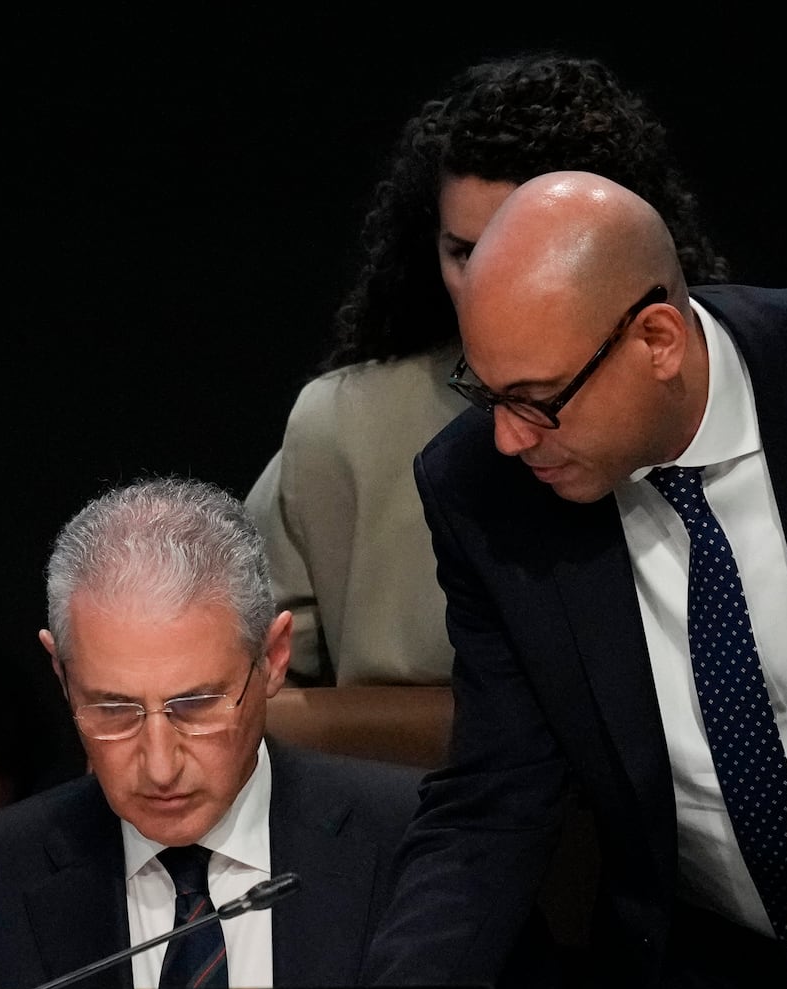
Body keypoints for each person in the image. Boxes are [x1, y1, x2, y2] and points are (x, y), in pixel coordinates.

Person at [363, 170, 787, 989]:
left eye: (538, 400)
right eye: (486, 391)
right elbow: (492, 801)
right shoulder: (483, 491)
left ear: (657, 338)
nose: (509, 437)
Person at [0, 476, 424, 989]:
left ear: (272, 660)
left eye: (195, 706)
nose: (160, 764)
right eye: (113, 710)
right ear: (62, 675)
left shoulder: (421, 846)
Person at [246, 51, 729, 695]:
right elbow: (225, 690)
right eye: (463, 253)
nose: (488, 284)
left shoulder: (736, 402)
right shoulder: (343, 426)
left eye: (528, 253)